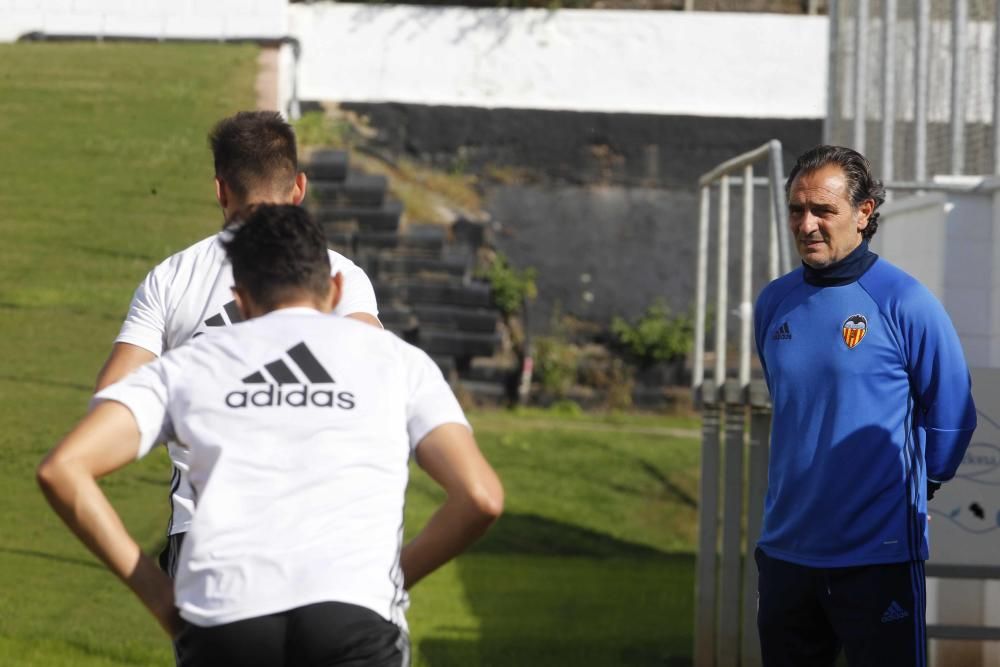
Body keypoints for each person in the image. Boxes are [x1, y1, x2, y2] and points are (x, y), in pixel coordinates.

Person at [39, 204, 503, 666]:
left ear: (241, 300)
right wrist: (394, 578)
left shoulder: (193, 365)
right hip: (354, 619)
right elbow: (480, 497)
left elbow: (64, 468)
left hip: (225, 620)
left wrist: (158, 594)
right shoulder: (399, 362)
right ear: (337, 288)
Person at [94, 111, 381, 577]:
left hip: (205, 536)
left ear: (221, 190)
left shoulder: (171, 279)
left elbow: (110, 404)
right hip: (320, 529)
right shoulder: (340, 274)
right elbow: (377, 378)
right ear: (299, 188)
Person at [752, 145, 976, 667]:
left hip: (877, 558)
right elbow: (795, 405)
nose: (806, 224)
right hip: (786, 552)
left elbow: (952, 412)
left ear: (864, 212)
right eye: (796, 209)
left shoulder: (905, 302)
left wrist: (918, 490)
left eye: (823, 211)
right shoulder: (773, 303)